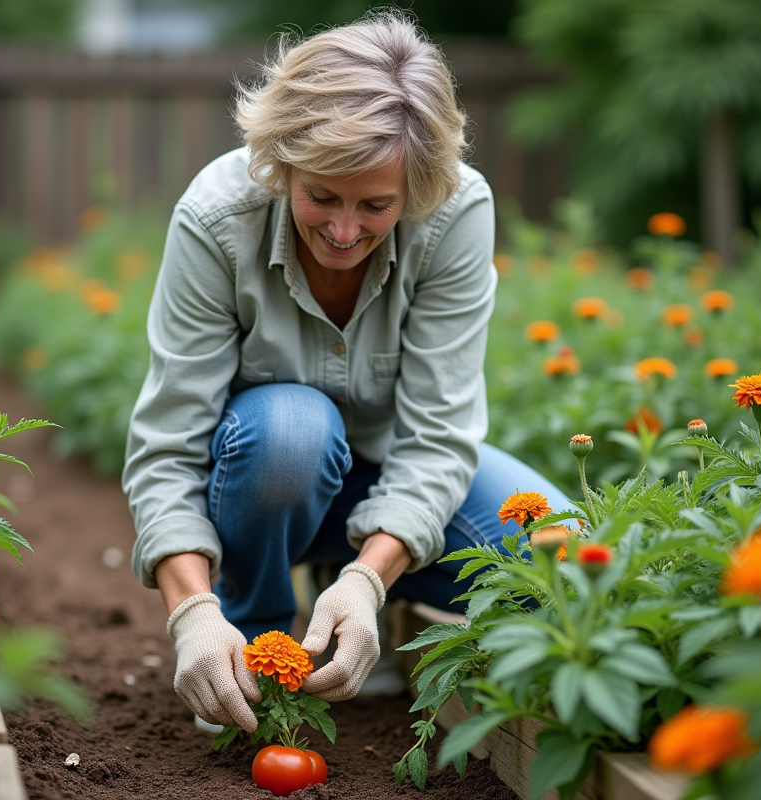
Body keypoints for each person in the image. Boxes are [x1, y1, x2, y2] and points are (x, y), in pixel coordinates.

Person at [121, 10, 571, 734]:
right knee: (293, 432)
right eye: (321, 196)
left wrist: (367, 579)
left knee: (564, 564)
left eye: (377, 205)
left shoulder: (456, 213)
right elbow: (168, 445)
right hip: (260, 482)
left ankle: (352, 604)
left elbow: (438, 436)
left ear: (418, 190)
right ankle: (249, 647)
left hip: (386, 473)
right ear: (282, 163)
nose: (343, 229)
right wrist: (192, 613)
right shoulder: (216, 218)